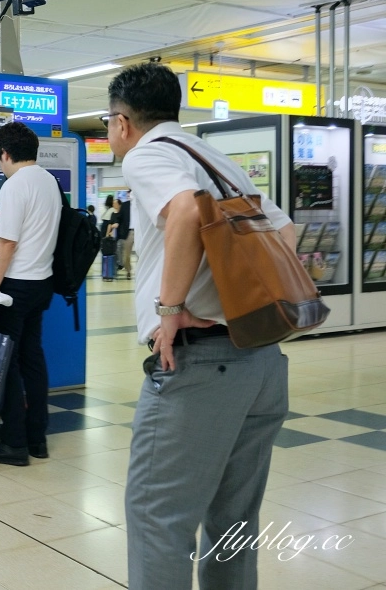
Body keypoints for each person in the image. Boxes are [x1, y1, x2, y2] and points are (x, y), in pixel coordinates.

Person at [107, 62, 291, 590]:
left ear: (122, 122)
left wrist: (171, 310)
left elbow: (185, 212)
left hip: (200, 366)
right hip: (259, 362)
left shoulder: (147, 155)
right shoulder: (212, 157)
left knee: (156, 517)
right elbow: (285, 227)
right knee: (233, 520)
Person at [0, 122, 61, 467]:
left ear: (5, 154)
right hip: (43, 283)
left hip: (16, 287)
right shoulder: (49, 181)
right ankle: (37, 438)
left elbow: (6, 244)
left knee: (7, 364)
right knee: (32, 359)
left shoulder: (14, 186)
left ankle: (13, 443)